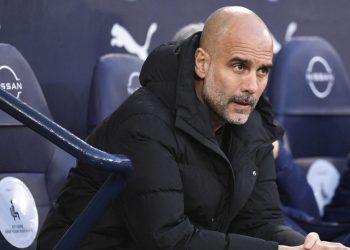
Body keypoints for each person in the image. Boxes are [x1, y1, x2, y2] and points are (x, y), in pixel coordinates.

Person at [38, 6, 349, 250]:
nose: (252, 86)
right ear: (202, 63)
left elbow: (260, 223)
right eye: (239, 66)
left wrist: (306, 245)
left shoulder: (251, 120)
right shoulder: (145, 121)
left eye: (263, 71)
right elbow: (167, 240)